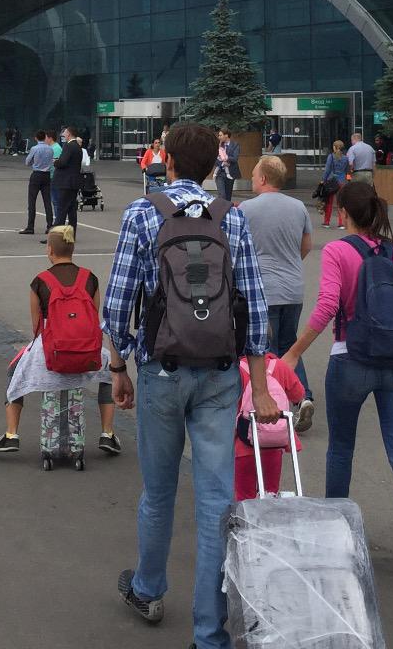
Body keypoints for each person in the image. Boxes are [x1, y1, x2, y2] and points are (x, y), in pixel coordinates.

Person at [104, 122, 278, 648]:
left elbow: (116, 305)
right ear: (213, 167)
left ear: (169, 163)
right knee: (215, 502)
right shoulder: (233, 218)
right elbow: (253, 304)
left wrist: (120, 365)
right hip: (222, 374)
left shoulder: (142, 213)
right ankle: (209, 635)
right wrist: (264, 385)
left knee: (158, 492)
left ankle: (149, 588)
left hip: (163, 369)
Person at [280, 178, 393, 581]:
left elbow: (327, 306)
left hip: (351, 361)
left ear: (343, 213)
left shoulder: (339, 250)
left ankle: (331, 537)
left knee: (341, 449)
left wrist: (293, 354)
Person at [0, 225, 122, 457]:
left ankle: (11, 434)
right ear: (72, 249)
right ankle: (107, 433)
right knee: (111, 371)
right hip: (87, 351)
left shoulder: (40, 281)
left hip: (51, 351)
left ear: (49, 250)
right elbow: (94, 316)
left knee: (14, 371)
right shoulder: (89, 278)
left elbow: (36, 326)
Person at [243, 155, 316, 431]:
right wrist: (290, 263)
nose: (251, 178)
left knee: (266, 352)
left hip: (264, 289)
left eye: (253, 174)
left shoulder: (247, 209)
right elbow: (307, 244)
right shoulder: (298, 207)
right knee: (290, 345)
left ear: (263, 178)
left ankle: (275, 407)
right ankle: (303, 397)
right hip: (293, 287)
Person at [233, 351, 307, 501]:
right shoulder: (280, 366)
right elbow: (298, 394)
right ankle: (268, 522)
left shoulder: (237, 369)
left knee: (244, 496)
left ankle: (247, 522)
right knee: (270, 493)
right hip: (274, 444)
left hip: (245, 445)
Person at [19, 129, 54, 234]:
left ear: (36, 138)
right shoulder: (50, 149)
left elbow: (27, 162)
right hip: (47, 175)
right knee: (47, 201)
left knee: (32, 201)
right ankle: (49, 225)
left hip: (37, 174)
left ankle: (30, 226)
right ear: (45, 137)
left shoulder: (34, 148)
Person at [51, 126, 83, 234]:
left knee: (61, 210)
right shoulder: (77, 147)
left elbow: (63, 162)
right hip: (73, 183)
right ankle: (71, 235)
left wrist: (55, 161)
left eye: (64, 133)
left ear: (69, 134)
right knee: (71, 210)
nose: (63, 135)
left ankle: (56, 236)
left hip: (66, 183)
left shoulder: (69, 146)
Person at [319, 139, 349, 227]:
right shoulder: (346, 158)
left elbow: (327, 170)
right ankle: (341, 223)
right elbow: (347, 171)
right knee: (340, 203)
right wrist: (347, 181)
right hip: (341, 181)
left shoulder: (331, 157)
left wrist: (323, 180)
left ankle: (327, 222)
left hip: (331, 182)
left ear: (335, 147)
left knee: (329, 202)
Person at [214, 128, 240, 202]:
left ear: (226, 135)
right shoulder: (218, 145)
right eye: (218, 135)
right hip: (220, 173)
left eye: (220, 135)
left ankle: (226, 212)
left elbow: (235, 158)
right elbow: (214, 158)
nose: (219, 137)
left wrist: (225, 157)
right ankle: (220, 212)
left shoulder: (235, 145)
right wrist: (222, 163)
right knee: (222, 195)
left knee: (228, 197)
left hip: (231, 173)